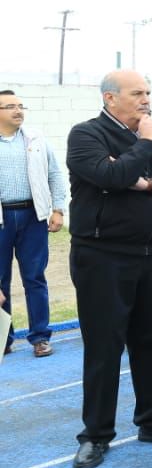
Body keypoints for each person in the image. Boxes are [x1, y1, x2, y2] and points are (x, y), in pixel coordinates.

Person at [65, 71, 152, 468]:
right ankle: (95, 435)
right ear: (110, 98)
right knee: (104, 347)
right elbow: (112, 175)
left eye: (148, 92)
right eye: (137, 93)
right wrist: (144, 144)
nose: (146, 99)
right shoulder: (86, 135)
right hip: (103, 256)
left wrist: (148, 184)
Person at [0, 90, 66, 358]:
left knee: (35, 277)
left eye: (20, 106)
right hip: (1, 219)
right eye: (10, 106)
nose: (18, 111)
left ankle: (40, 337)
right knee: (0, 281)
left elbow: (55, 174)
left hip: (33, 217)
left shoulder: (36, 139)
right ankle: (3, 339)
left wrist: (58, 209)